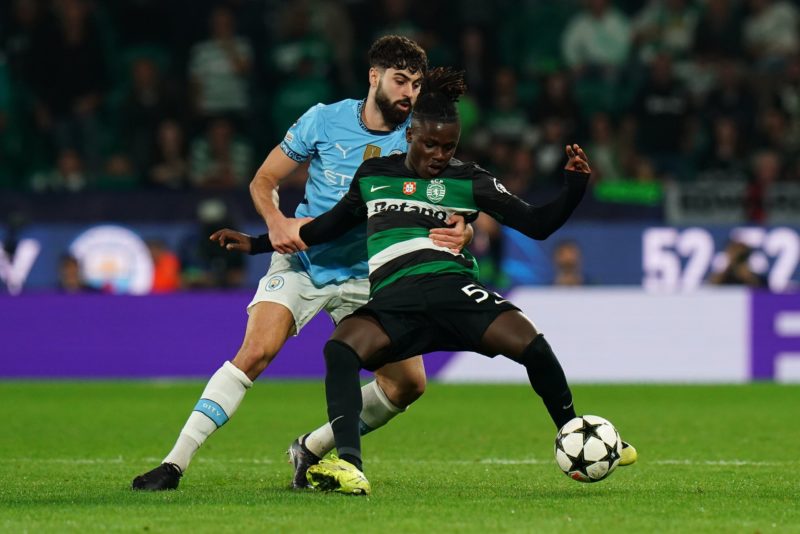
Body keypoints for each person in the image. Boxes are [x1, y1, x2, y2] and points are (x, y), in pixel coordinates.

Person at [222, 68, 637, 495]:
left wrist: (572, 190)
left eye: (449, 146)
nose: (440, 155)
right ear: (409, 136)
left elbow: (536, 224)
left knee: (533, 344)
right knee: (341, 349)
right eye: (431, 144)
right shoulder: (372, 176)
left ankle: (581, 433)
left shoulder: (468, 180)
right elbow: (326, 228)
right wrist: (258, 244)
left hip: (453, 292)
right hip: (395, 300)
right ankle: (348, 464)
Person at [131, 36, 471, 491]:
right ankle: (173, 464)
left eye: (415, 84)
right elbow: (265, 178)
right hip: (304, 264)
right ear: (375, 77)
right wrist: (274, 221)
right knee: (256, 351)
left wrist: (462, 227)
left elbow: (455, 198)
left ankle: (310, 447)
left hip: (371, 277)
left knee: (408, 385)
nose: (409, 93)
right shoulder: (323, 120)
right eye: (400, 81)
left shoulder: (416, 134)